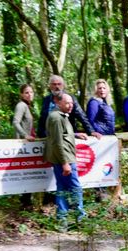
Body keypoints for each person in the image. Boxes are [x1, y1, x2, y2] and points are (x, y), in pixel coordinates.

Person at [44, 93, 86, 226]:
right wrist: (65, 163)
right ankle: (80, 218)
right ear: (59, 103)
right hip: (64, 159)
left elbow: (64, 134)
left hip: (64, 159)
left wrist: (76, 134)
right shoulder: (56, 118)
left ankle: (62, 220)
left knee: (62, 188)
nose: (70, 106)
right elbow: (57, 142)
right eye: (67, 103)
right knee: (75, 188)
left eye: (72, 103)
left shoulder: (61, 116)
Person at [36, 75, 98, 139]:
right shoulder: (47, 100)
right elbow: (42, 119)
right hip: (50, 136)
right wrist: (40, 134)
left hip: (68, 136)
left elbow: (81, 116)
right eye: (54, 84)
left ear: (63, 86)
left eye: (59, 84)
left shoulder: (70, 99)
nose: (57, 86)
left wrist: (91, 131)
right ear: (50, 86)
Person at [12, 84, 37, 206]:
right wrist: (24, 135)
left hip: (30, 143)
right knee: (26, 171)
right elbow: (15, 122)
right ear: (21, 94)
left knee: (30, 171)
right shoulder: (21, 105)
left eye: (31, 92)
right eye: (26, 92)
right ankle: (25, 201)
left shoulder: (27, 106)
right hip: (23, 144)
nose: (29, 94)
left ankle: (27, 200)